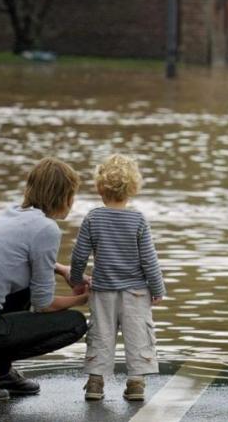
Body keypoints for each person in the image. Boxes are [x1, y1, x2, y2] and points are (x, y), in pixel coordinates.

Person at [0, 158, 90, 401]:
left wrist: (61, 269)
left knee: (25, 288)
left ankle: (3, 374)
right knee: (75, 323)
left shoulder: (9, 213)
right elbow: (43, 304)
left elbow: (13, 258)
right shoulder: (46, 228)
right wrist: (84, 298)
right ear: (64, 196)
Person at [70, 154, 165, 402]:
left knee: (101, 335)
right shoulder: (138, 219)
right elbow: (149, 259)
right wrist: (157, 288)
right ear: (133, 189)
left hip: (103, 291)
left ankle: (95, 383)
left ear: (100, 188)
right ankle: (136, 383)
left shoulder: (93, 218)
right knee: (138, 335)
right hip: (136, 291)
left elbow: (79, 254)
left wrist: (78, 279)